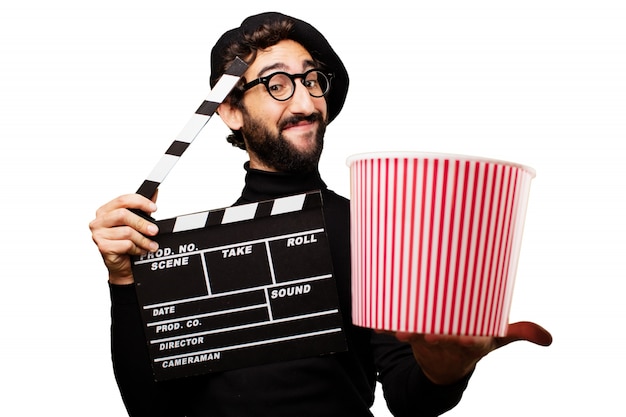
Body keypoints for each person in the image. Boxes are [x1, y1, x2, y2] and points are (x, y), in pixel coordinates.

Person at [89, 11, 552, 417]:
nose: (308, 103)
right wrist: (125, 283)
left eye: (312, 80)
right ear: (230, 110)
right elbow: (151, 409)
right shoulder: (188, 251)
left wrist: (444, 371)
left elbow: (409, 399)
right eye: (277, 83)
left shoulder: (374, 229)